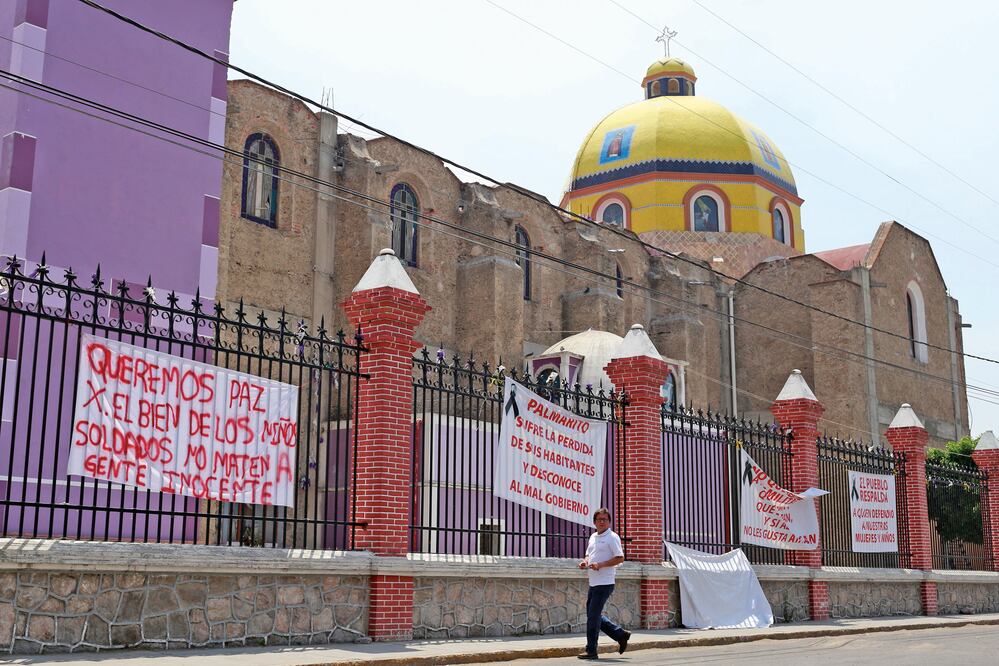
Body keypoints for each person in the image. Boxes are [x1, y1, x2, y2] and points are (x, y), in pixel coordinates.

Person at [577, 507, 630, 659]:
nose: (602, 522)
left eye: (605, 519)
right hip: (593, 582)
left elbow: (620, 557)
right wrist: (585, 562)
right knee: (593, 615)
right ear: (594, 522)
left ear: (609, 522)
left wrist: (600, 565)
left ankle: (591, 650)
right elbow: (588, 554)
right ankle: (620, 634)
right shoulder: (593, 537)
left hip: (605, 583)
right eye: (599, 519)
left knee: (593, 617)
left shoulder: (612, 537)